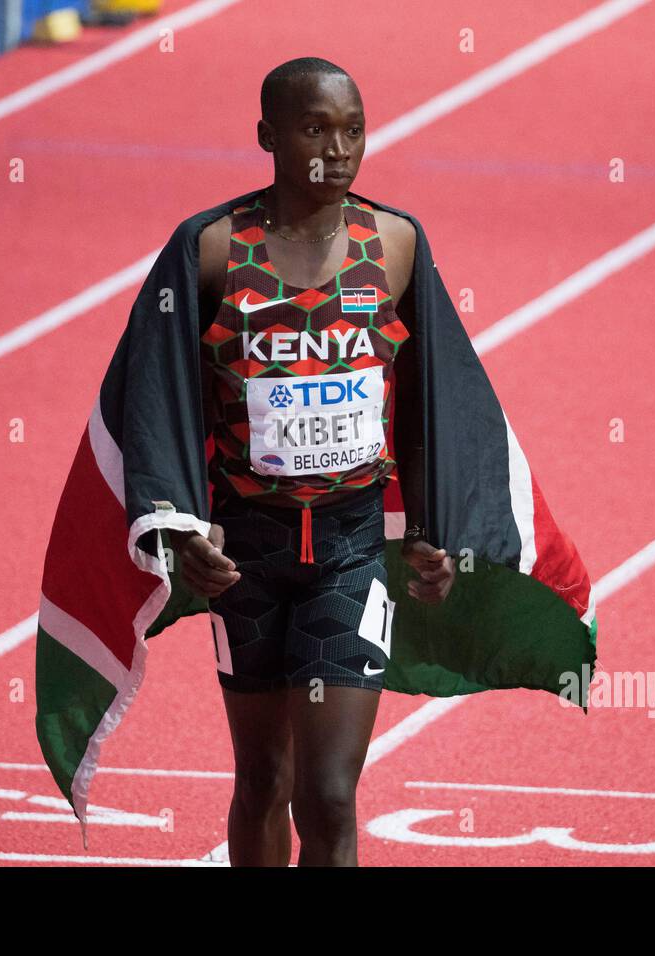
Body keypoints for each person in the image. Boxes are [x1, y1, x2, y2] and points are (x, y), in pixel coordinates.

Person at [165, 57, 454, 867]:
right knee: (262, 778)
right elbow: (164, 402)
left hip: (350, 551)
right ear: (267, 136)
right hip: (244, 558)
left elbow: (429, 400)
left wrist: (430, 529)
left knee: (327, 793)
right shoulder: (214, 248)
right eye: (314, 128)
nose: (339, 148)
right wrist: (183, 526)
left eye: (354, 128)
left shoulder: (393, 244)